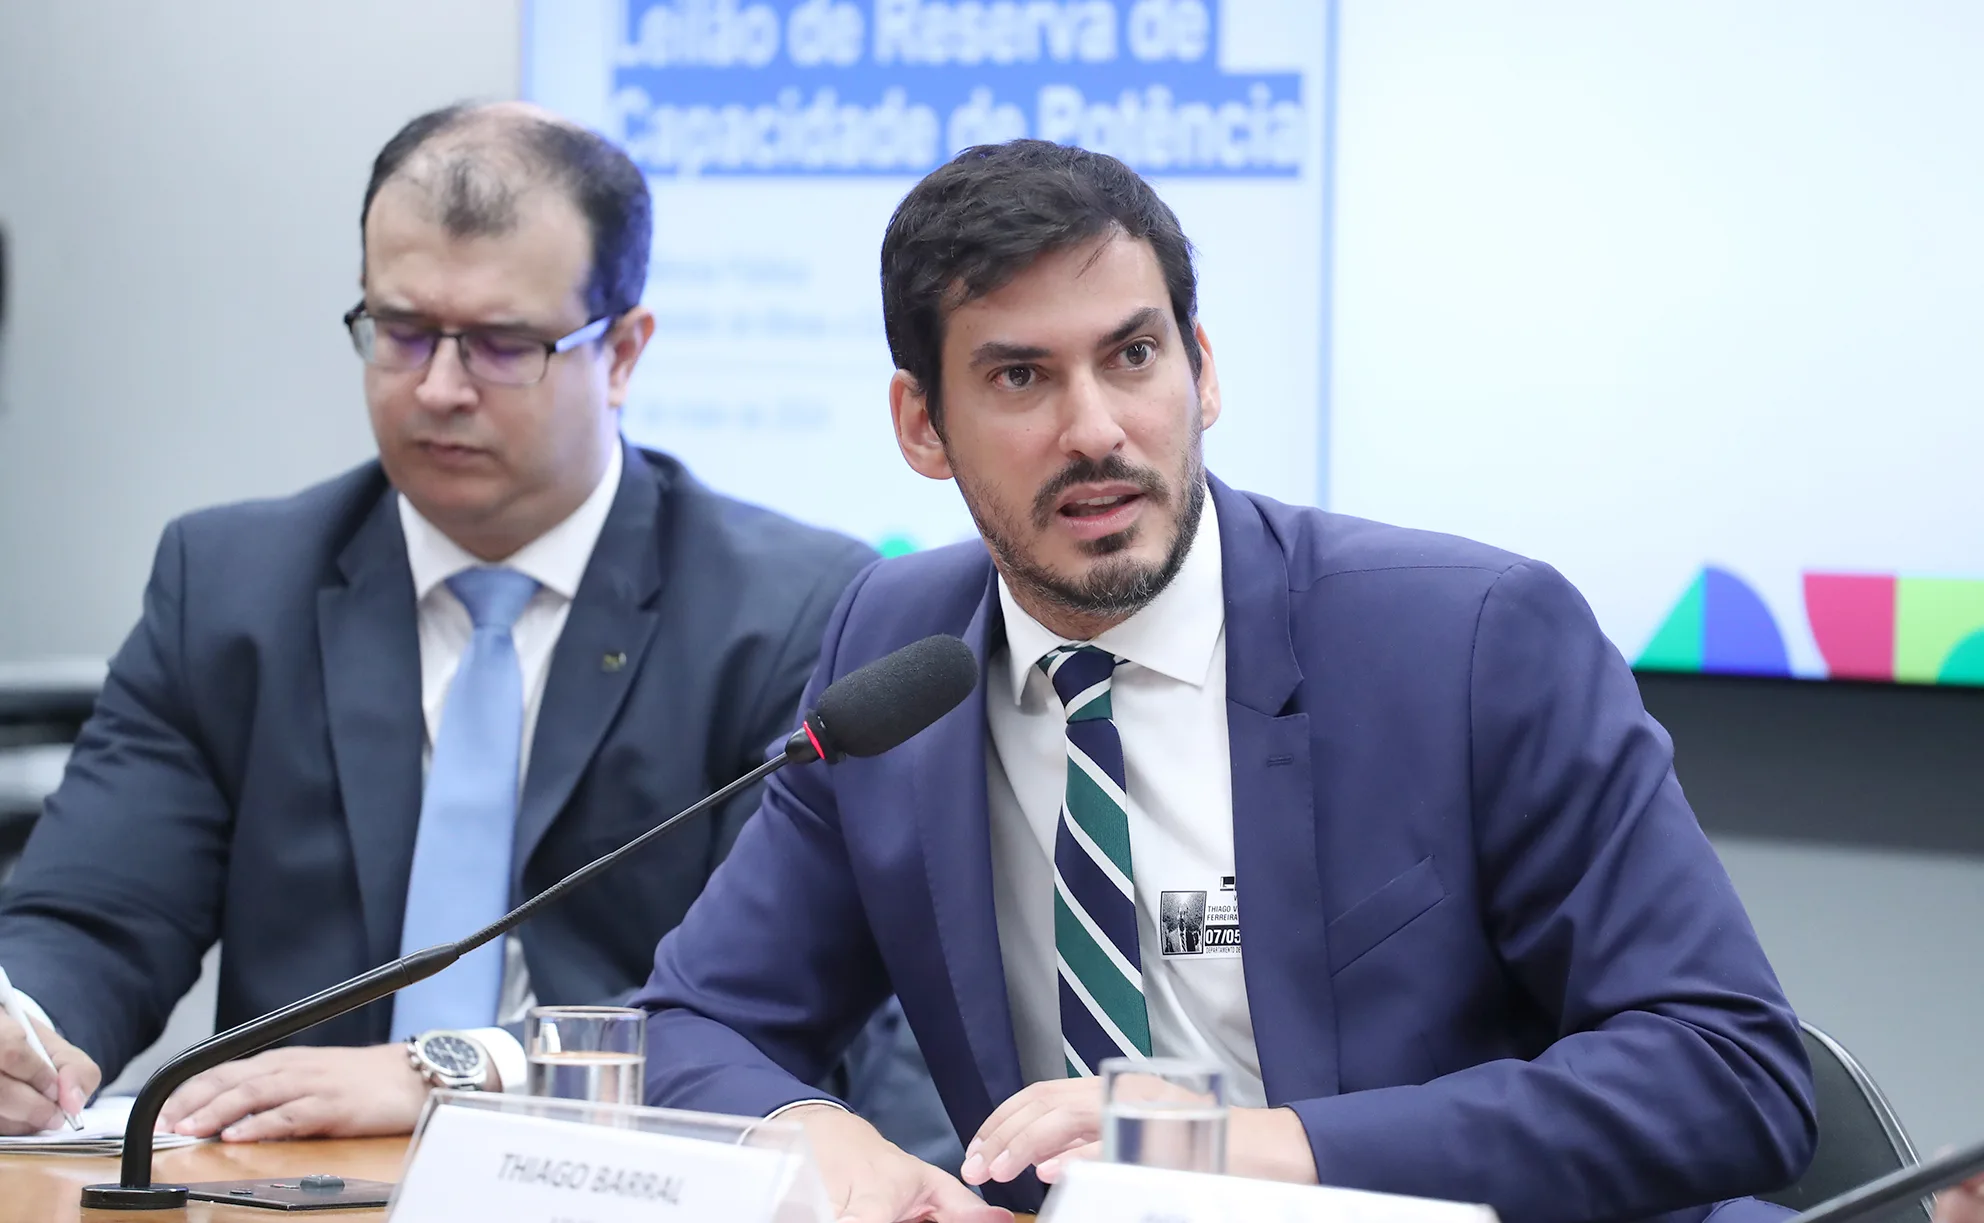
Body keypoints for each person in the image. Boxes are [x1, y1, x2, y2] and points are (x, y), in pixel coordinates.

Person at [632, 139, 1818, 1223]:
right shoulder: (896, 650)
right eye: (1018, 378)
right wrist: (822, 1138)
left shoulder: (1468, 636)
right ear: (921, 425)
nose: (1095, 428)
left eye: (1132, 355)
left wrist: (1252, 1146)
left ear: (1200, 371)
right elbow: (694, 1019)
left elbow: (1726, 1071)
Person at [0, 103, 952, 1161]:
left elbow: (790, 1003)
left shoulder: (792, 611)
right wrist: (25, 1027)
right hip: (283, 1185)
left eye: (504, 345)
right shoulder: (229, 586)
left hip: (618, 1183)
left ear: (625, 352)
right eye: (401, 330)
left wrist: (451, 1067)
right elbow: (94, 917)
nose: (439, 387)